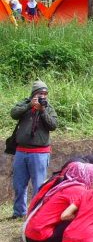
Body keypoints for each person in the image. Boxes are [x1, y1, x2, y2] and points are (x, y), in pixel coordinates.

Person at [22, 162, 93, 242]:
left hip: (31, 235)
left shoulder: (67, 185)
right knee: (79, 220)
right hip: (40, 238)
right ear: (88, 176)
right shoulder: (78, 190)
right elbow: (86, 214)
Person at [10, 80, 58, 219]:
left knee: (39, 185)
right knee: (19, 184)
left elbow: (53, 125)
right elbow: (13, 113)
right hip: (21, 151)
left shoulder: (48, 108)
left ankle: (36, 212)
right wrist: (29, 105)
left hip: (40, 153)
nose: (43, 96)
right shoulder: (25, 103)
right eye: (40, 93)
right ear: (33, 94)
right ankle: (19, 212)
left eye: (45, 94)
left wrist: (42, 111)